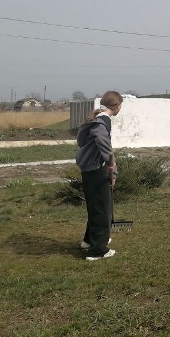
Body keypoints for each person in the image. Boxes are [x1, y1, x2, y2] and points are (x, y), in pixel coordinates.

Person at [76, 91, 123, 260]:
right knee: (102, 209)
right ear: (116, 106)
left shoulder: (96, 119)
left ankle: (89, 241)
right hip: (97, 169)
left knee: (96, 207)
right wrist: (112, 166)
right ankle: (98, 250)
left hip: (91, 168)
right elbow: (104, 144)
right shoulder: (102, 122)